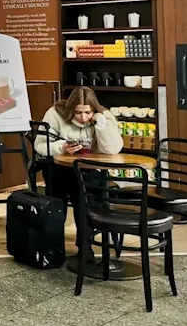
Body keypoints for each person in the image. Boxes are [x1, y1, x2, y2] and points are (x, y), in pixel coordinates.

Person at [34, 86, 123, 253]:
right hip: (58, 167)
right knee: (73, 190)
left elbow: (112, 149)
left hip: (89, 170)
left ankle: (85, 244)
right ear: (70, 110)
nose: (83, 118)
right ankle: (54, 246)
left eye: (88, 113)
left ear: (94, 110)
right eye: (78, 112)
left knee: (85, 194)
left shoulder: (105, 116)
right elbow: (39, 145)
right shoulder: (55, 114)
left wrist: (101, 124)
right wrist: (61, 147)